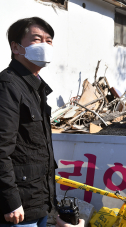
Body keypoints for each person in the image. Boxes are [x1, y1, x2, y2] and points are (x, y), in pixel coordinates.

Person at [0, 17, 57, 227]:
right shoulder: (8, 86)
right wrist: (11, 202)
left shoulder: (36, 87)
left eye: (48, 40)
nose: (45, 45)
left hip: (39, 201)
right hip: (19, 210)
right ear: (16, 47)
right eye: (36, 39)